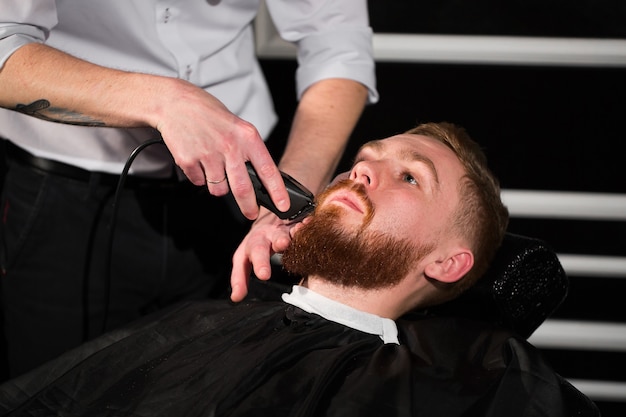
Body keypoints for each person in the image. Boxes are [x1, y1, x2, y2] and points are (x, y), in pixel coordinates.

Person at [0, 122, 597, 416]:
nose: (360, 171)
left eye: (410, 176)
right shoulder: (205, 325)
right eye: (366, 160)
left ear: (448, 262)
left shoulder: (430, 390)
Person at [0, 1, 377, 378]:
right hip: (66, 210)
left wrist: (286, 192)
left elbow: (337, 43)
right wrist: (162, 101)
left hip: (237, 205)